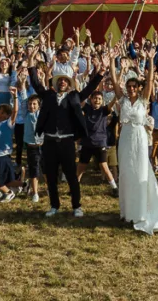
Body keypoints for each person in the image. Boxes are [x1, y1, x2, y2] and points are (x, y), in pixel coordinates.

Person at [110, 48, 158, 235]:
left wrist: (150, 60)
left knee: (140, 170)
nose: (131, 88)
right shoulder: (122, 99)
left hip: (140, 138)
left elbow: (149, 81)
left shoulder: (143, 100)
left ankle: (140, 213)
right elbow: (114, 80)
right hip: (125, 138)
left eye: (135, 86)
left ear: (139, 88)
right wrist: (112, 61)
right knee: (126, 172)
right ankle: (127, 212)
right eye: (129, 86)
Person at [28, 46, 104, 218]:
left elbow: (90, 88)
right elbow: (35, 82)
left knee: (71, 175)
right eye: (59, 80)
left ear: (69, 84)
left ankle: (76, 205)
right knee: (51, 175)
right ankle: (54, 205)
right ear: (56, 83)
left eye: (65, 80)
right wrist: (31, 61)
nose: (62, 82)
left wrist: (101, 72)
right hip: (49, 141)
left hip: (67, 141)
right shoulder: (47, 96)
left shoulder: (74, 97)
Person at [76, 89, 118, 194]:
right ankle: (74, 188)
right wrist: (75, 85)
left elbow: (112, 102)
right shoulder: (87, 108)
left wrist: (117, 92)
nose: (97, 100)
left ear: (102, 101)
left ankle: (114, 188)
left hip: (100, 143)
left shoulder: (104, 110)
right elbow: (80, 98)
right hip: (87, 143)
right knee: (81, 166)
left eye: (99, 99)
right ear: (91, 99)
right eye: (95, 98)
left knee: (104, 166)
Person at [22, 94, 43, 203]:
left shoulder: (42, 115)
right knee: (34, 170)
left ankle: (49, 189)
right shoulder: (26, 114)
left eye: (34, 104)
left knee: (46, 169)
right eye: (30, 104)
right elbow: (23, 101)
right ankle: (35, 192)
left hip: (43, 146)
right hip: (32, 148)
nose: (32, 106)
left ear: (39, 106)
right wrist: (22, 87)